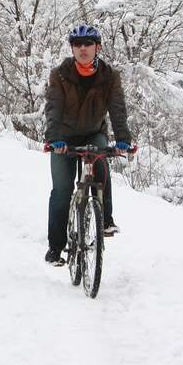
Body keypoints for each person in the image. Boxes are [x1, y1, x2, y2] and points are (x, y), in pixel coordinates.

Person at [43, 24, 133, 266]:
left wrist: (124, 139)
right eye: (77, 44)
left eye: (88, 44)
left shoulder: (110, 76)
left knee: (101, 166)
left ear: (98, 47)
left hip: (94, 133)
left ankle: (105, 221)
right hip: (63, 137)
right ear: (72, 49)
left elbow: (117, 109)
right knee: (62, 191)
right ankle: (55, 247)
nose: (83, 49)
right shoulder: (60, 74)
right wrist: (53, 139)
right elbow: (53, 108)